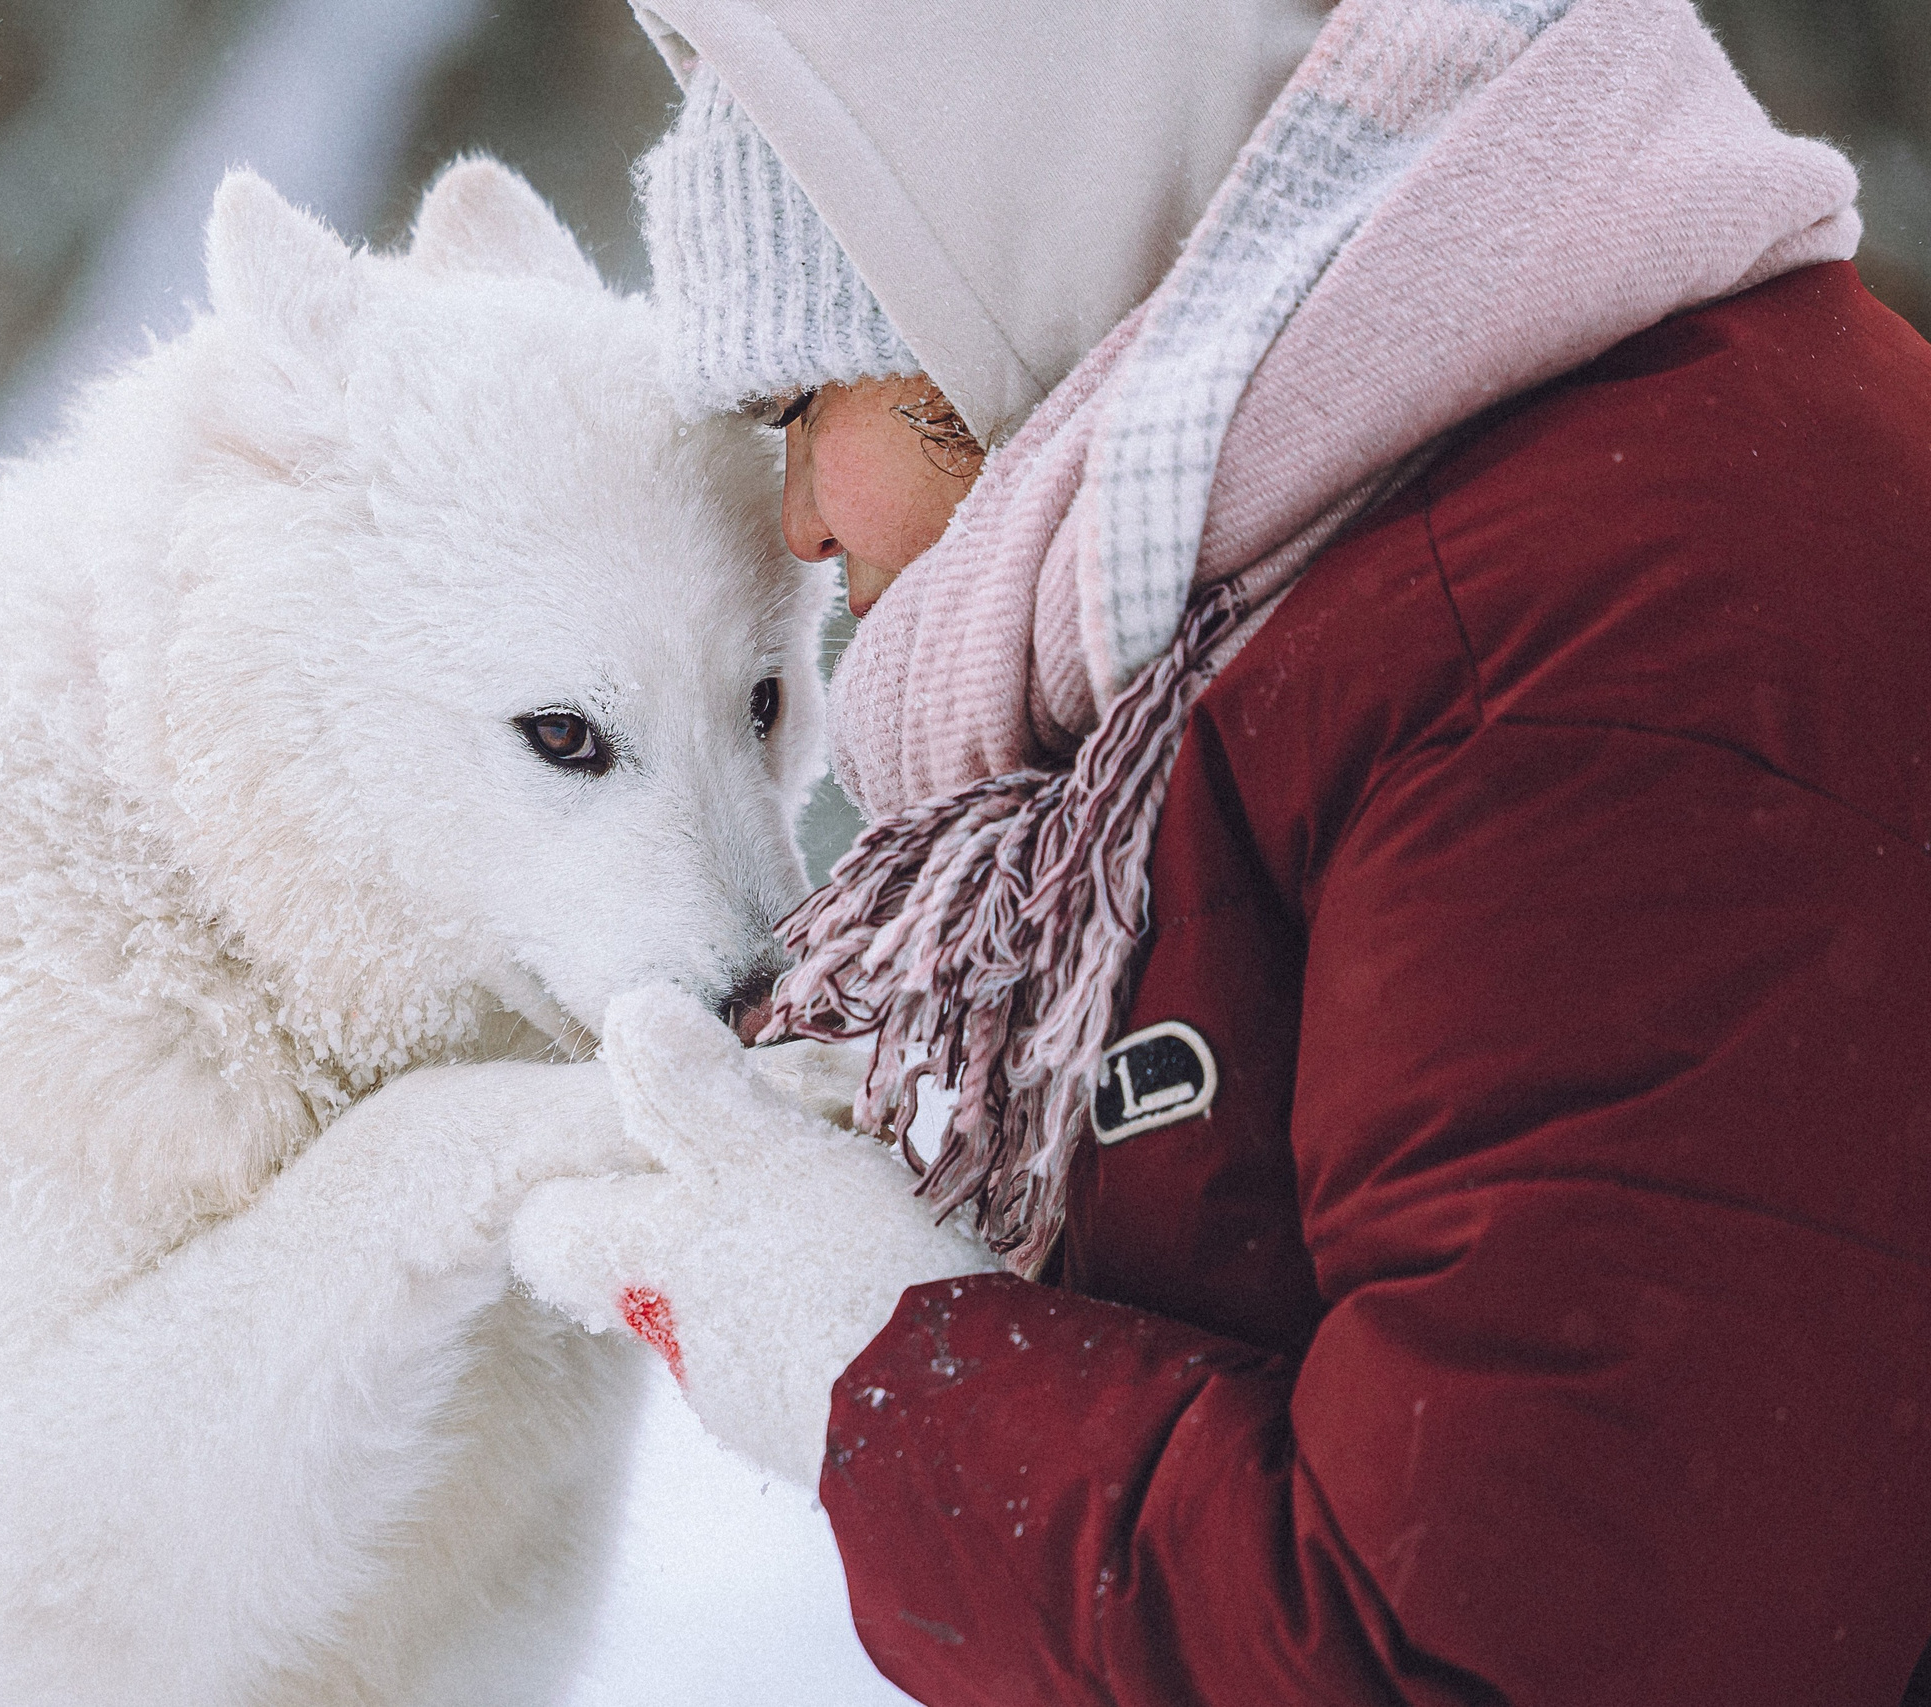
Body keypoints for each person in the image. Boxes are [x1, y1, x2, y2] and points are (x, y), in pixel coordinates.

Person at [506, 0, 1931, 1702]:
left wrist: (878, 1364)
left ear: (993, 285)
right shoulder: (1429, 548)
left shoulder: (1562, 649)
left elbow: (1485, 1653)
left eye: (811, 400)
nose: (802, 522)